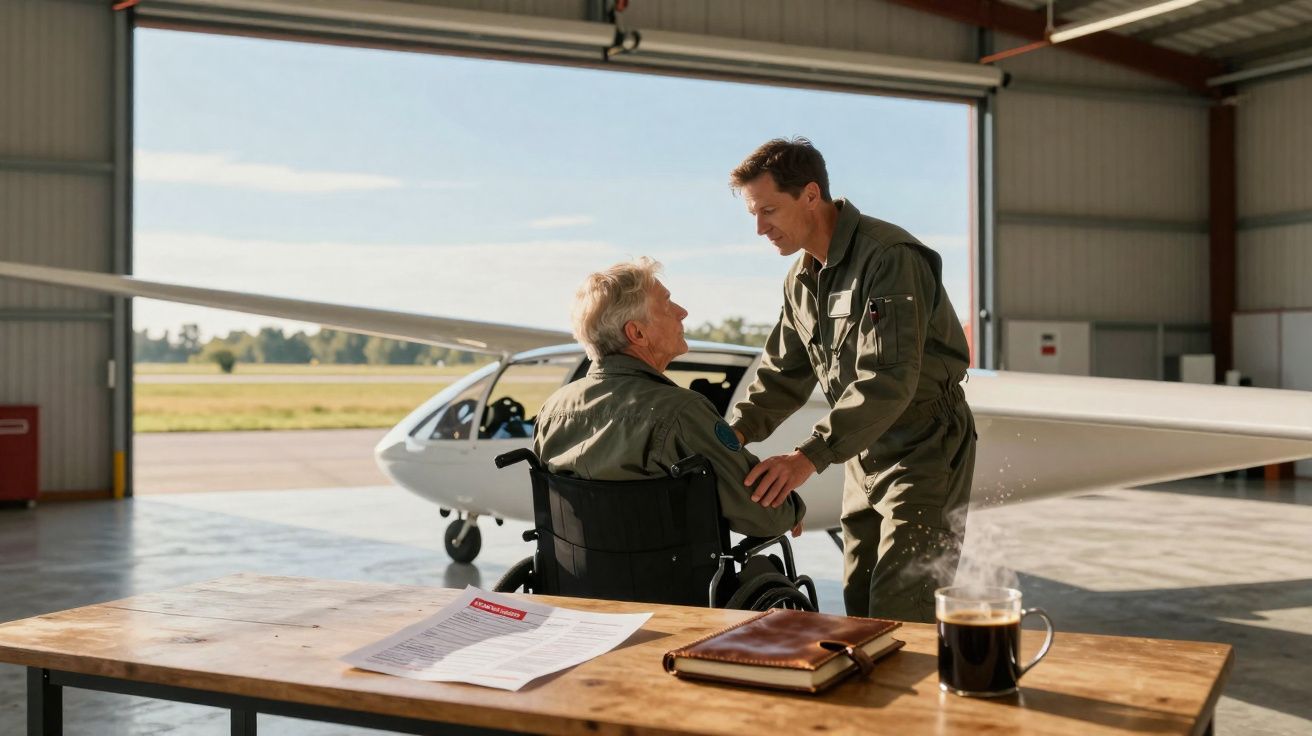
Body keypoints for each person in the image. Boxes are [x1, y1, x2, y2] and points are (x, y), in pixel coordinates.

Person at [726, 137, 975, 623]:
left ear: (811, 195)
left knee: (902, 612)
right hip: (862, 457)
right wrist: (729, 437)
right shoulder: (800, 279)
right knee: (859, 609)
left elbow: (888, 381)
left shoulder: (890, 258)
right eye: (754, 214)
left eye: (769, 210)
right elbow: (781, 374)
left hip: (924, 450)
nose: (760, 228)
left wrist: (806, 459)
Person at [533, 257, 805, 539]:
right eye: (667, 304)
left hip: (573, 578)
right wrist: (791, 510)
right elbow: (766, 518)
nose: (682, 312)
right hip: (670, 581)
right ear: (637, 333)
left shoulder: (550, 413)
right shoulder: (682, 412)